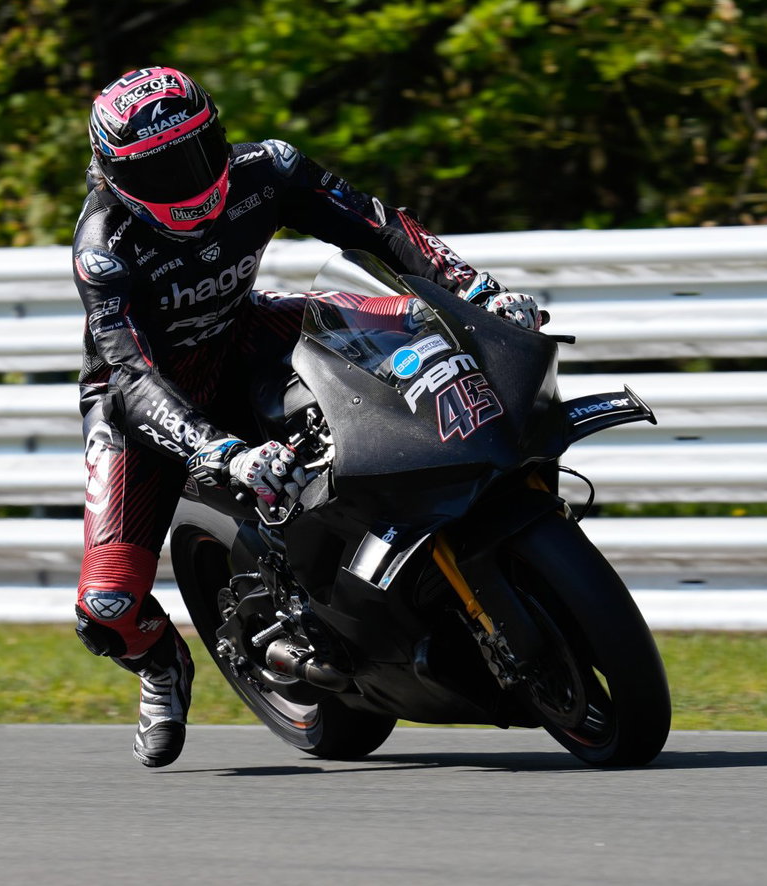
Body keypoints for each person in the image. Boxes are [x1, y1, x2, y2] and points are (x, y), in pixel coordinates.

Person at [70, 66, 542, 767]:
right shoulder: (104, 249)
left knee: (414, 321)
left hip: (244, 333)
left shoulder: (270, 169)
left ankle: (455, 489)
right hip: (145, 399)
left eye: (198, 155)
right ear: (115, 179)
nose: (189, 183)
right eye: (160, 172)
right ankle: (162, 665)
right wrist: (225, 452)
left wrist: (475, 291)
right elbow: (132, 376)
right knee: (106, 608)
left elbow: (382, 228)